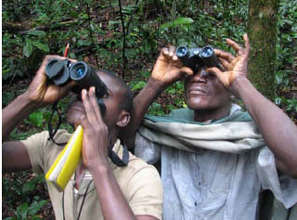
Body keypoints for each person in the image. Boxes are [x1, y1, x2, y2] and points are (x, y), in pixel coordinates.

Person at [121, 34, 297, 220]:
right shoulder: (170, 129)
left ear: (231, 91)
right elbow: (120, 141)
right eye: (193, 71)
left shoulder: (248, 135)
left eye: (212, 74)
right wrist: (154, 84)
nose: (199, 78)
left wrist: (241, 83)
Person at [2, 55, 163, 220]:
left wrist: (99, 165)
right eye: (81, 89)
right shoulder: (53, 144)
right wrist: (29, 99)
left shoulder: (140, 175)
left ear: (122, 118)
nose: (85, 96)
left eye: (100, 93)